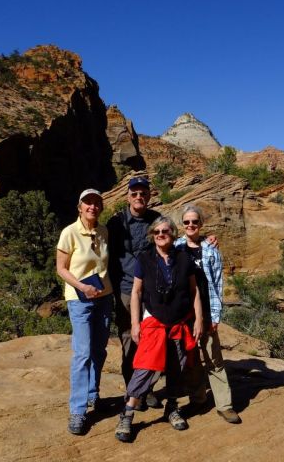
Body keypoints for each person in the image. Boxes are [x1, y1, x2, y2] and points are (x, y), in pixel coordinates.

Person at [114, 216, 204, 442]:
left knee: (177, 366)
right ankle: (127, 413)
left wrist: (199, 319)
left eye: (166, 231)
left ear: (173, 234)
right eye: (157, 232)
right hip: (154, 321)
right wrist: (135, 323)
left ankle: (171, 407)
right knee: (145, 366)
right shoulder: (144, 259)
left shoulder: (184, 258)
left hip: (180, 322)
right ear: (152, 235)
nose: (161, 234)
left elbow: (194, 292)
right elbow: (135, 292)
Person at [174, 205, 241, 424]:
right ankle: (198, 398)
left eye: (194, 222)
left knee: (214, 358)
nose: (190, 225)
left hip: (207, 310)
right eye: (186, 222)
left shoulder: (211, 249)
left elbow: (218, 283)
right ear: (182, 225)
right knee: (191, 359)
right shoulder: (176, 247)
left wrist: (215, 315)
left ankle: (225, 405)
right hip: (185, 315)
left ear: (201, 224)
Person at [57, 188, 114, 435]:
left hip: (104, 298)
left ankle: (93, 394)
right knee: (82, 354)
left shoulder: (103, 232)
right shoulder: (69, 232)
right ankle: (78, 411)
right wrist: (81, 286)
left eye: (96, 203)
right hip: (79, 299)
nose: (92, 206)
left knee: (99, 350)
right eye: (87, 203)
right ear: (79, 207)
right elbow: (61, 268)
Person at [106, 176, 163, 408]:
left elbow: (172, 243)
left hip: (152, 290)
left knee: (151, 339)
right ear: (128, 196)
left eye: (143, 193)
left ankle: (147, 389)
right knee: (130, 339)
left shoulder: (156, 219)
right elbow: (109, 256)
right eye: (135, 193)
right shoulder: (117, 222)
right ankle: (132, 392)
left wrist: (206, 241)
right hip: (127, 290)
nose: (139, 197)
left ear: (149, 196)